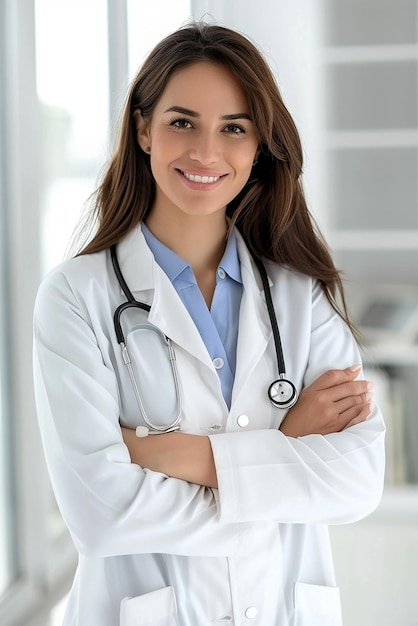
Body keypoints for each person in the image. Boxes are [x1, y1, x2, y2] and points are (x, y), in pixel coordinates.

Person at [33, 22, 385, 626]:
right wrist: (286, 448)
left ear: (258, 146)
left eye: (234, 128)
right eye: (181, 122)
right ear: (143, 129)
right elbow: (102, 515)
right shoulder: (76, 297)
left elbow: (356, 483)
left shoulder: (299, 297)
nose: (205, 152)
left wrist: (151, 454)